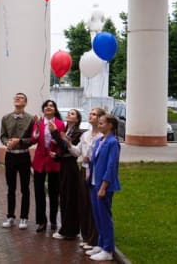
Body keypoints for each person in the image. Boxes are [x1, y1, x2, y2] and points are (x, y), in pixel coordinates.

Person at [64, 108, 106, 249]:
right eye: (90, 114)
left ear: (100, 118)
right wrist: (68, 144)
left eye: (94, 114)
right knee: (83, 203)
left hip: (95, 172)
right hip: (84, 170)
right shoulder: (85, 135)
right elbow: (77, 152)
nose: (91, 116)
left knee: (93, 204)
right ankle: (86, 236)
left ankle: (94, 238)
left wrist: (92, 159)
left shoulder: (102, 136)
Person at [85, 114, 121, 262]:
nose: (99, 124)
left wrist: (104, 186)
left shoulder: (113, 142)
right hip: (94, 183)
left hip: (103, 185)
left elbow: (111, 166)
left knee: (105, 217)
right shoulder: (100, 140)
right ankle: (101, 244)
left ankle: (108, 249)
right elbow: (96, 159)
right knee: (98, 216)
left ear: (110, 125)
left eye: (102, 123)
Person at [0, 93, 35, 230]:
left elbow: (32, 140)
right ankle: (10, 216)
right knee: (11, 188)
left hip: (23, 155)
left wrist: (19, 141)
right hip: (10, 156)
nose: (17, 98)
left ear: (25, 103)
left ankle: (24, 217)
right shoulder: (6, 118)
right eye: (16, 97)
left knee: (25, 188)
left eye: (21, 97)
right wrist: (6, 142)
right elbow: (2, 135)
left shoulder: (31, 119)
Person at [31, 99, 65, 232]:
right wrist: (38, 129)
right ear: (43, 109)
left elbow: (61, 141)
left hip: (53, 160)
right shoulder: (38, 122)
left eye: (51, 106)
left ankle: (53, 220)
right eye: (46, 106)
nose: (48, 108)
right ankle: (41, 221)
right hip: (40, 160)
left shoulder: (60, 124)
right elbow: (34, 139)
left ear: (55, 110)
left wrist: (54, 135)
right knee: (39, 192)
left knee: (53, 192)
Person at [52, 108, 84, 240]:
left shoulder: (77, 133)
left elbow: (68, 147)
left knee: (69, 198)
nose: (69, 115)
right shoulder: (66, 130)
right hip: (64, 165)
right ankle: (68, 228)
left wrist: (54, 133)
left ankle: (68, 230)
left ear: (77, 119)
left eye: (72, 114)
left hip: (71, 167)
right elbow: (63, 149)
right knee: (64, 197)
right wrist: (56, 156)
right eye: (69, 113)